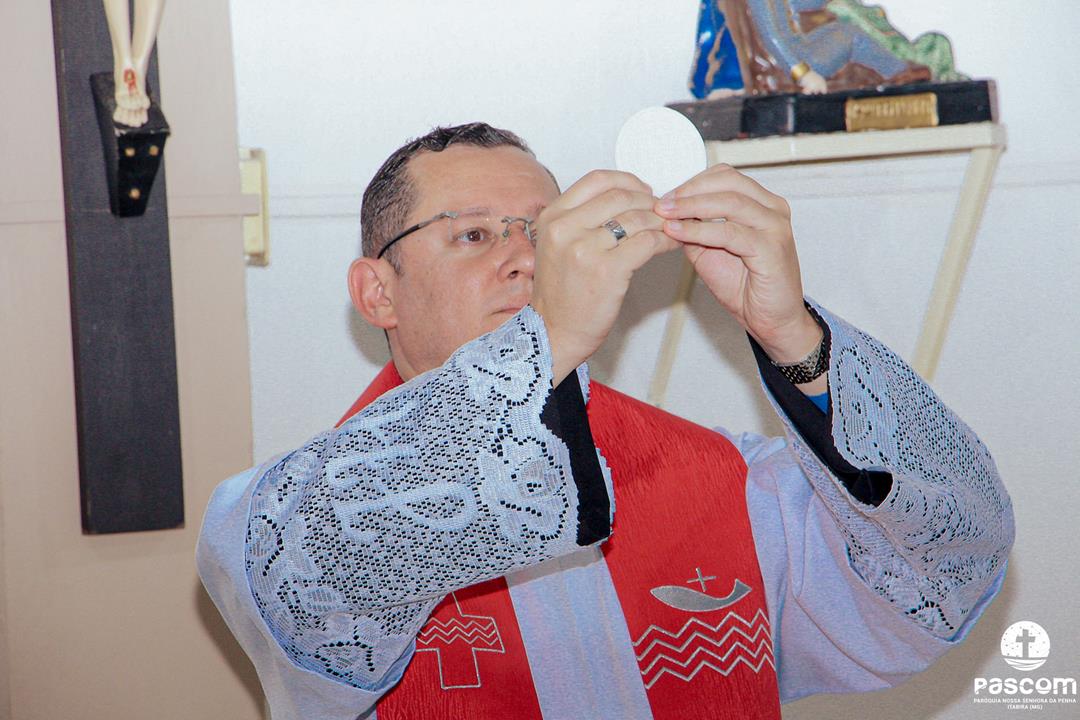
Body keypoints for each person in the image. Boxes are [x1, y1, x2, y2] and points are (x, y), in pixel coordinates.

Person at [197, 123, 1014, 720]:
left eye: (544, 232)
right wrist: (544, 341)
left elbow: (951, 567)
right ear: (377, 292)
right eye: (474, 235)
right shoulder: (290, 512)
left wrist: (795, 338)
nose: (527, 258)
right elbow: (317, 574)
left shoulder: (729, 481)